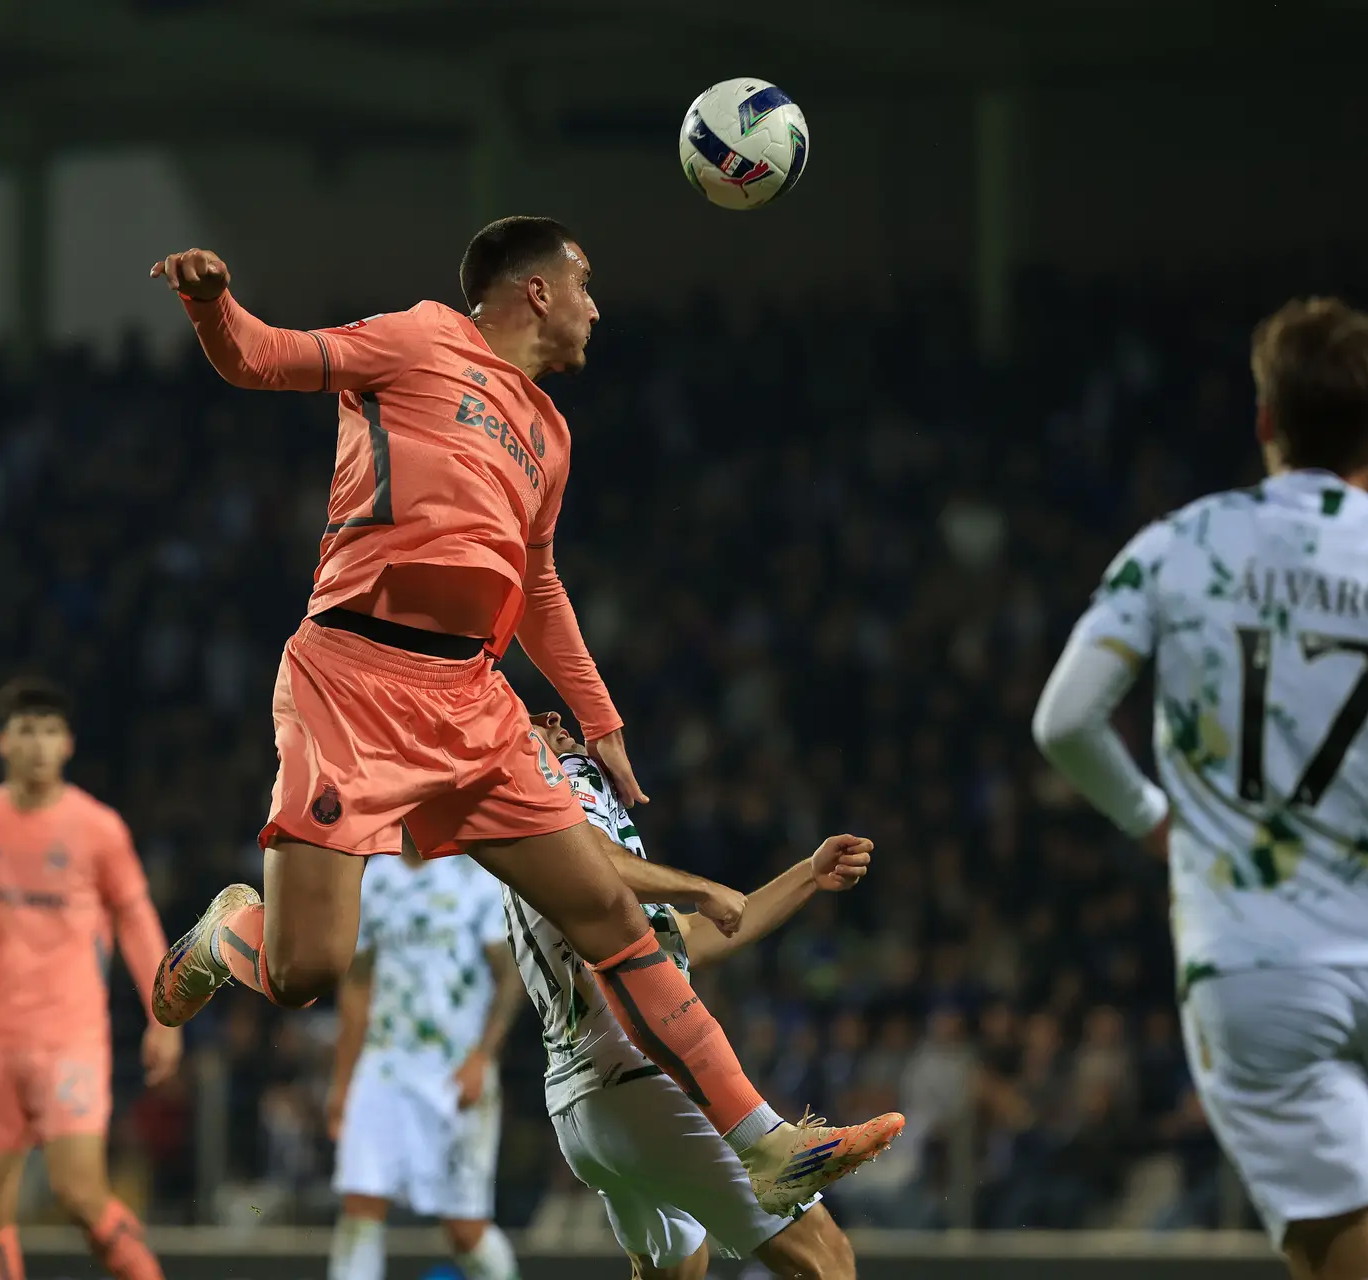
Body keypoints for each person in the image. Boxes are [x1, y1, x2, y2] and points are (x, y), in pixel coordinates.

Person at [147, 219, 902, 1207]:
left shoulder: (550, 433)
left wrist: (601, 720)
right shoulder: (420, 337)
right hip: (354, 680)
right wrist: (211, 304)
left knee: (611, 914)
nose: (597, 306)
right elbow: (265, 357)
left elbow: (537, 585)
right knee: (305, 971)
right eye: (585, 283)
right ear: (537, 290)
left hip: (473, 699)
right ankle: (225, 933)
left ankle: (764, 1145)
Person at [1033, 297, 1368, 1280]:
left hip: (1260, 967)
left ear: (1266, 420)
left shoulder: (1183, 543)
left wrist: (1153, 820)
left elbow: (1065, 719)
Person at [511, 712, 863, 1274]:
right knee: (825, 1256)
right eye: (530, 720)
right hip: (639, 1080)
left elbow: (687, 939)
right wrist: (701, 887)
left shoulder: (516, 838)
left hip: (577, 1102)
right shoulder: (559, 785)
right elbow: (596, 856)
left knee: (679, 1268)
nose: (553, 717)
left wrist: (806, 875)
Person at [0, 677, 182, 1280]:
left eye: (50, 731)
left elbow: (137, 920)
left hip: (70, 1041)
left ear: (68, 744)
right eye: (26, 730)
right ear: (3, 742)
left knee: (80, 1195)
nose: (38, 744)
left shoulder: (98, 828)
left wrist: (164, 1014)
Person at [324, 839, 525, 1280]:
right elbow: (356, 985)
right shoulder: (374, 877)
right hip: (385, 1066)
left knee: (464, 1229)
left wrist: (481, 1059)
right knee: (360, 1203)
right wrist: (342, 1084)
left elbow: (511, 978)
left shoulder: (476, 875)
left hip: (455, 1071)